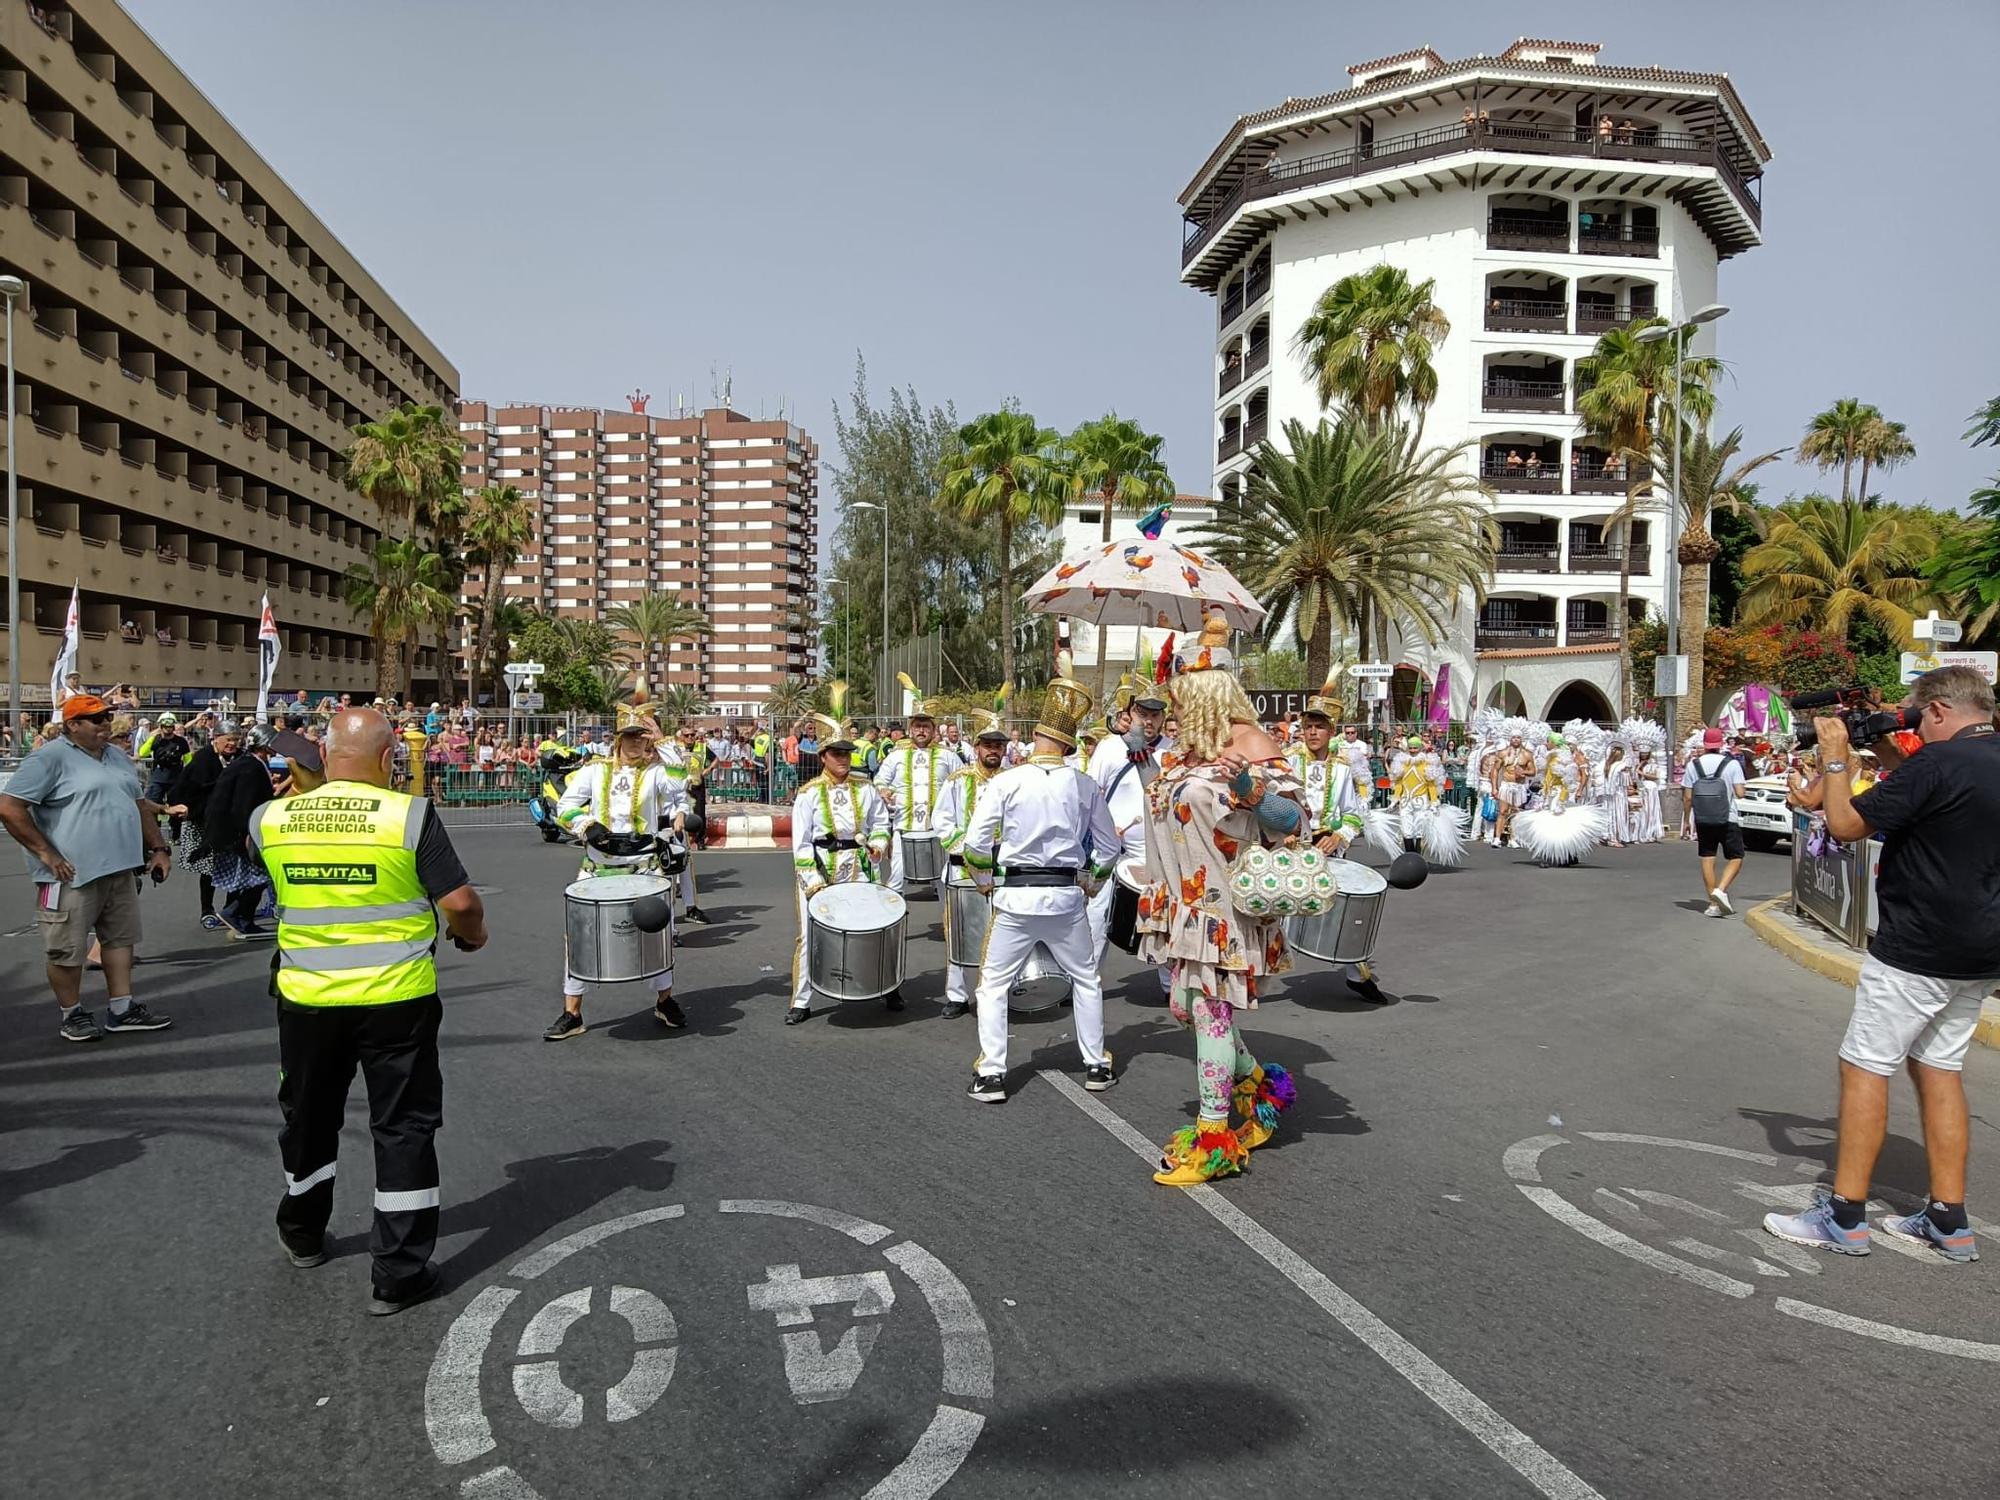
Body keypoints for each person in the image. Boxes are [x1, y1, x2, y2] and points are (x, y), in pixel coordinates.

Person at [250, 708, 485, 1315]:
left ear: (324, 758)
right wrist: (472, 936)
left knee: (308, 1116)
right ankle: (398, 1272)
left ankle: (303, 1232)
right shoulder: (408, 815)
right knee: (402, 1126)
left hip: (306, 998)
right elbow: (459, 902)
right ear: (389, 760)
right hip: (394, 999)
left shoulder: (269, 819)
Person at [1763, 668, 2000, 1262]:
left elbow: (1843, 826)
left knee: (1866, 1065)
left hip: (1918, 945)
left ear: (1940, 711)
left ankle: (1844, 1215)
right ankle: (1949, 1220)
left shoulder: (1937, 765)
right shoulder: (1979, 760)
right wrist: (1891, 742)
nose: (1912, 727)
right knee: (1940, 1067)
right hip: (1982, 950)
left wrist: (1838, 755)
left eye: (1917, 717)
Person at [1135, 615, 1306, 1183]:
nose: (1172, 710)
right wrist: (1142, 760)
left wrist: (1253, 793)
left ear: (1205, 694)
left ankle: (1213, 1138)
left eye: (1179, 698)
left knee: (1208, 1015)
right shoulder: (1186, 755)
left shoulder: (1251, 744)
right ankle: (1259, 1086)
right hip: (1183, 907)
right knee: (1184, 1009)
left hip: (1223, 910)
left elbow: (1295, 821)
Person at [960, 675, 1120, 1103]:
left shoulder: (1006, 781)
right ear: (1068, 744)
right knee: (1086, 978)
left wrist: (983, 882)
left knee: (993, 984)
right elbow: (1109, 846)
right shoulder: (1085, 785)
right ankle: (1096, 1066)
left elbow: (974, 844)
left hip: (1015, 897)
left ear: (1034, 737)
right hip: (1066, 898)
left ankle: (992, 1074)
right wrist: (1092, 882)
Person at [0, 695, 177, 1043]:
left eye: (107, 717)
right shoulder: (48, 758)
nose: (105, 725)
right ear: (72, 725)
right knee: (65, 948)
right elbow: (9, 807)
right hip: (69, 875)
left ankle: (122, 1008)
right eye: (95, 719)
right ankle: (72, 1013)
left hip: (120, 868)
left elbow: (138, 805)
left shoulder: (116, 756)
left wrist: (159, 848)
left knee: (120, 941)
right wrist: (46, 853)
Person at [544, 721, 692, 1040]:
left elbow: (682, 781)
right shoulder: (595, 771)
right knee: (579, 936)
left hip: (644, 867)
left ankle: (664, 1001)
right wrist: (588, 827)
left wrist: (663, 739)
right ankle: (572, 1013)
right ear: (618, 739)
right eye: (631, 736)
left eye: (643, 737)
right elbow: (565, 807)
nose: (638, 742)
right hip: (599, 867)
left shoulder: (656, 773)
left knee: (658, 935)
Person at [787, 690, 892, 1024]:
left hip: (860, 868)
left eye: (846, 752)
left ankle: (886, 986)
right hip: (821, 870)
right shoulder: (808, 794)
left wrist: (877, 844)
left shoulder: (866, 787)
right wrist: (814, 882)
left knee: (873, 927)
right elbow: (800, 843)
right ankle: (801, 1000)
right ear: (823, 756)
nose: (843, 759)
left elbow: (880, 823)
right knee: (810, 935)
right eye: (836, 753)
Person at [1288, 679, 1382, 1001]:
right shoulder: (1287, 762)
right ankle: (1256, 978)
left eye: (1319, 727)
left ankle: (1356, 972)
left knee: (1340, 908)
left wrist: (1339, 836)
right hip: (1290, 843)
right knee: (1275, 907)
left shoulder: (1343, 770)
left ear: (1332, 731)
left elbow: (1354, 813)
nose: (1312, 732)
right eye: (1307, 726)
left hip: (1326, 845)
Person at [1085, 673, 1173, 986]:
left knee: (1163, 919)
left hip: (1157, 851)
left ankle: (1170, 985)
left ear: (1163, 718)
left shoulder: (1172, 752)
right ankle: (1085, 981)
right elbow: (1090, 796)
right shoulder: (1109, 748)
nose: (1148, 721)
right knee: (1096, 917)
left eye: (1155, 715)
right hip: (1111, 849)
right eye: (1142, 713)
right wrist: (1104, 831)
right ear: (1128, 714)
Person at [933, 702, 1009, 1020]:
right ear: (976, 747)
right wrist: (969, 850)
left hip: (1003, 868)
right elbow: (943, 822)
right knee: (961, 930)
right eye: (988, 745)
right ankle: (957, 994)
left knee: (1002, 932)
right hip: (963, 867)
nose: (993, 750)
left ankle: (996, 992)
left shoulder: (1013, 780)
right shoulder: (957, 780)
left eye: (999, 745)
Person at [873, 680, 962, 895]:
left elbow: (961, 786)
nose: (921, 731)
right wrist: (885, 791)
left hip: (939, 829)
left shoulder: (948, 756)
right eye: (917, 726)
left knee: (944, 881)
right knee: (896, 878)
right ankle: (894, 925)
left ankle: (950, 926)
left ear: (933, 729)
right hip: (904, 826)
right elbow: (879, 781)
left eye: (926, 726)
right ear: (910, 729)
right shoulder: (896, 755)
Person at [207, 724, 280, 938]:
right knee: (260, 876)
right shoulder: (251, 767)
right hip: (245, 832)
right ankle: (235, 912)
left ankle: (243, 917)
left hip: (243, 830)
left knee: (254, 877)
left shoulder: (251, 764)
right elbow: (244, 803)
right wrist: (248, 832)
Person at [1682, 727, 1746, 916]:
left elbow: (1687, 797)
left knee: (1708, 858)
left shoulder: (1694, 765)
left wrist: (1687, 820)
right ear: (1721, 744)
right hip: (1728, 817)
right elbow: (1740, 793)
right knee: (1736, 857)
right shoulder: (1732, 764)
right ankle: (1721, 889)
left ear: (1705, 744)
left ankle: (1713, 903)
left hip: (1703, 818)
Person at [1494, 730, 1537, 847]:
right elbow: (1495, 770)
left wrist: (1524, 772)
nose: (1516, 740)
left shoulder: (1527, 754)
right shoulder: (1503, 753)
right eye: (1514, 737)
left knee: (1515, 812)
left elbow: (1533, 771)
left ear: (1521, 739)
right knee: (1502, 811)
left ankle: (1513, 838)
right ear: (1510, 738)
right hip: (1506, 784)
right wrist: (1494, 788)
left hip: (1519, 786)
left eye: (1518, 737)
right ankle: (1497, 838)